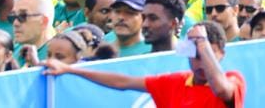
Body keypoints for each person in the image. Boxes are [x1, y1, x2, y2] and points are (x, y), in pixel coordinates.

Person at [44, 21, 245, 108]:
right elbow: (122, 82)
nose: (200, 61)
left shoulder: (233, 80)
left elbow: (220, 90)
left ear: (220, 54)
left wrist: (202, 43)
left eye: (207, 54)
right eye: (195, 54)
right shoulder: (176, 82)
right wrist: (70, 69)